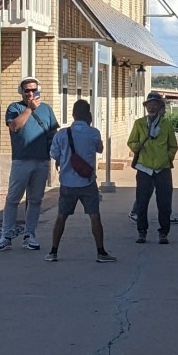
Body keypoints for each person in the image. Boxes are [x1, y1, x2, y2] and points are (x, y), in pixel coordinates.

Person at [48, 99, 115, 262]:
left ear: (73, 115)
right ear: (89, 115)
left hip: (67, 183)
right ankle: (101, 252)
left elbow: (54, 154)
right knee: (94, 216)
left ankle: (53, 252)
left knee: (61, 217)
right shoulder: (93, 133)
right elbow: (99, 149)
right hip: (87, 182)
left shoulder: (61, 134)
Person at [0, 78, 56, 251]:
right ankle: (6, 235)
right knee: (13, 199)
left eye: (34, 91)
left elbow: (52, 133)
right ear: (21, 92)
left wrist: (57, 156)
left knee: (35, 199)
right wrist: (29, 108)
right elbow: (14, 126)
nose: (31, 94)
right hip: (21, 160)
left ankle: (30, 235)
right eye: (27, 91)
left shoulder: (47, 109)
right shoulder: (14, 108)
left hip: (42, 161)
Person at [127, 91, 178, 244]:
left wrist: (167, 158)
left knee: (164, 202)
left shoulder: (167, 125)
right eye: (149, 105)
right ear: (146, 107)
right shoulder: (139, 123)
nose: (151, 107)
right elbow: (131, 141)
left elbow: (173, 146)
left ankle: (163, 233)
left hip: (162, 169)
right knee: (142, 201)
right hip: (144, 168)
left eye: (155, 105)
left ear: (160, 107)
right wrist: (135, 147)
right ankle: (141, 232)